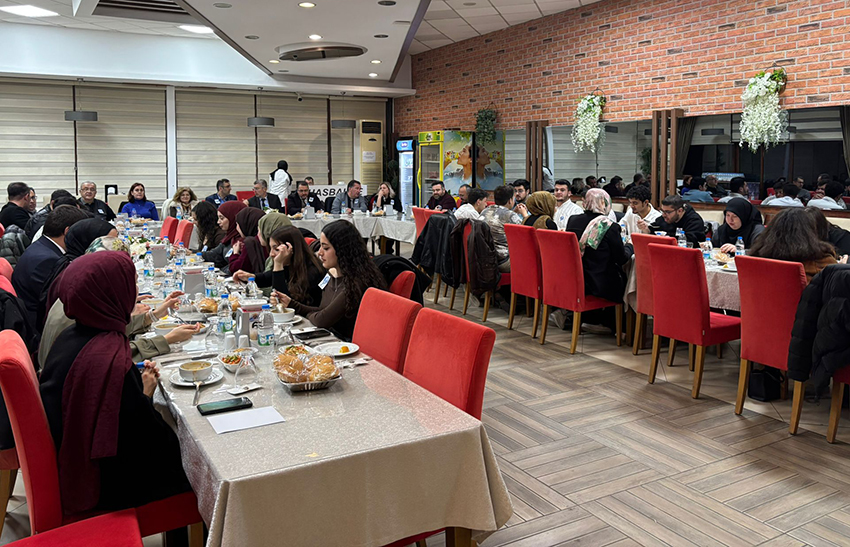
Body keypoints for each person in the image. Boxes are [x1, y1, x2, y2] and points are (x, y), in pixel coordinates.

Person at [39, 252, 192, 514]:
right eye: (131, 284)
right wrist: (145, 394)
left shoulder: (72, 335)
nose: (134, 291)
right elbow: (150, 443)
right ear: (112, 292)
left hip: (71, 456)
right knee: (197, 458)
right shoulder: (108, 360)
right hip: (105, 483)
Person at [273, 220, 386, 341]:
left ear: (342, 250)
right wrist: (291, 304)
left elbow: (322, 320)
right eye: (320, 246)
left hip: (349, 344)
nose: (320, 253)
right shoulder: (332, 275)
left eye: (326, 248)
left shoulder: (356, 283)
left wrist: (311, 314)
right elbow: (323, 311)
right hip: (333, 338)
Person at [12, 205, 89, 325]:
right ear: (68, 231)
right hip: (37, 325)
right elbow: (61, 300)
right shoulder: (48, 260)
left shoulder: (43, 246)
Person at [37, 218, 117, 328]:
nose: (116, 250)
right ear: (90, 243)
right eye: (110, 244)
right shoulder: (78, 276)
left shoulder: (70, 263)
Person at [566, 189, 633, 304]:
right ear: (605, 203)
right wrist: (630, 246)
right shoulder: (609, 226)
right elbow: (621, 259)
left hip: (575, 279)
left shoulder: (573, 220)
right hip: (599, 284)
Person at [750, 208, 841, 282]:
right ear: (809, 233)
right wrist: (841, 267)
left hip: (760, 299)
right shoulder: (820, 261)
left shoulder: (757, 258)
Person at [263, 226, 326, 306]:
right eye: (270, 248)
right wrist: (250, 276)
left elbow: (283, 303)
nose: (271, 254)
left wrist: (278, 264)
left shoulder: (312, 271)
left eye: (276, 249)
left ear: (290, 249)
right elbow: (266, 277)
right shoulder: (290, 265)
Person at [232, 212, 292, 281]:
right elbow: (269, 277)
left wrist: (278, 264)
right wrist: (253, 277)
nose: (258, 234)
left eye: (259, 230)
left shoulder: (288, 258)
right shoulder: (271, 258)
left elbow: (277, 286)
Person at [481, 185, 523, 273]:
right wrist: (525, 215)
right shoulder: (510, 215)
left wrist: (513, 212)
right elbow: (525, 233)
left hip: (485, 258)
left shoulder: (485, 211)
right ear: (510, 200)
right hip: (502, 261)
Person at [201, 201, 246, 273]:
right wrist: (194, 254)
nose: (218, 222)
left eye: (222, 218)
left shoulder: (244, 242)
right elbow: (214, 255)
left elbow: (236, 268)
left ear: (233, 218)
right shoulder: (230, 237)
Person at [228, 207, 267, 275]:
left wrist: (235, 253)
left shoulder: (251, 243)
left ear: (246, 224)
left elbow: (235, 269)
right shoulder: (268, 238)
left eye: (238, 224)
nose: (237, 228)